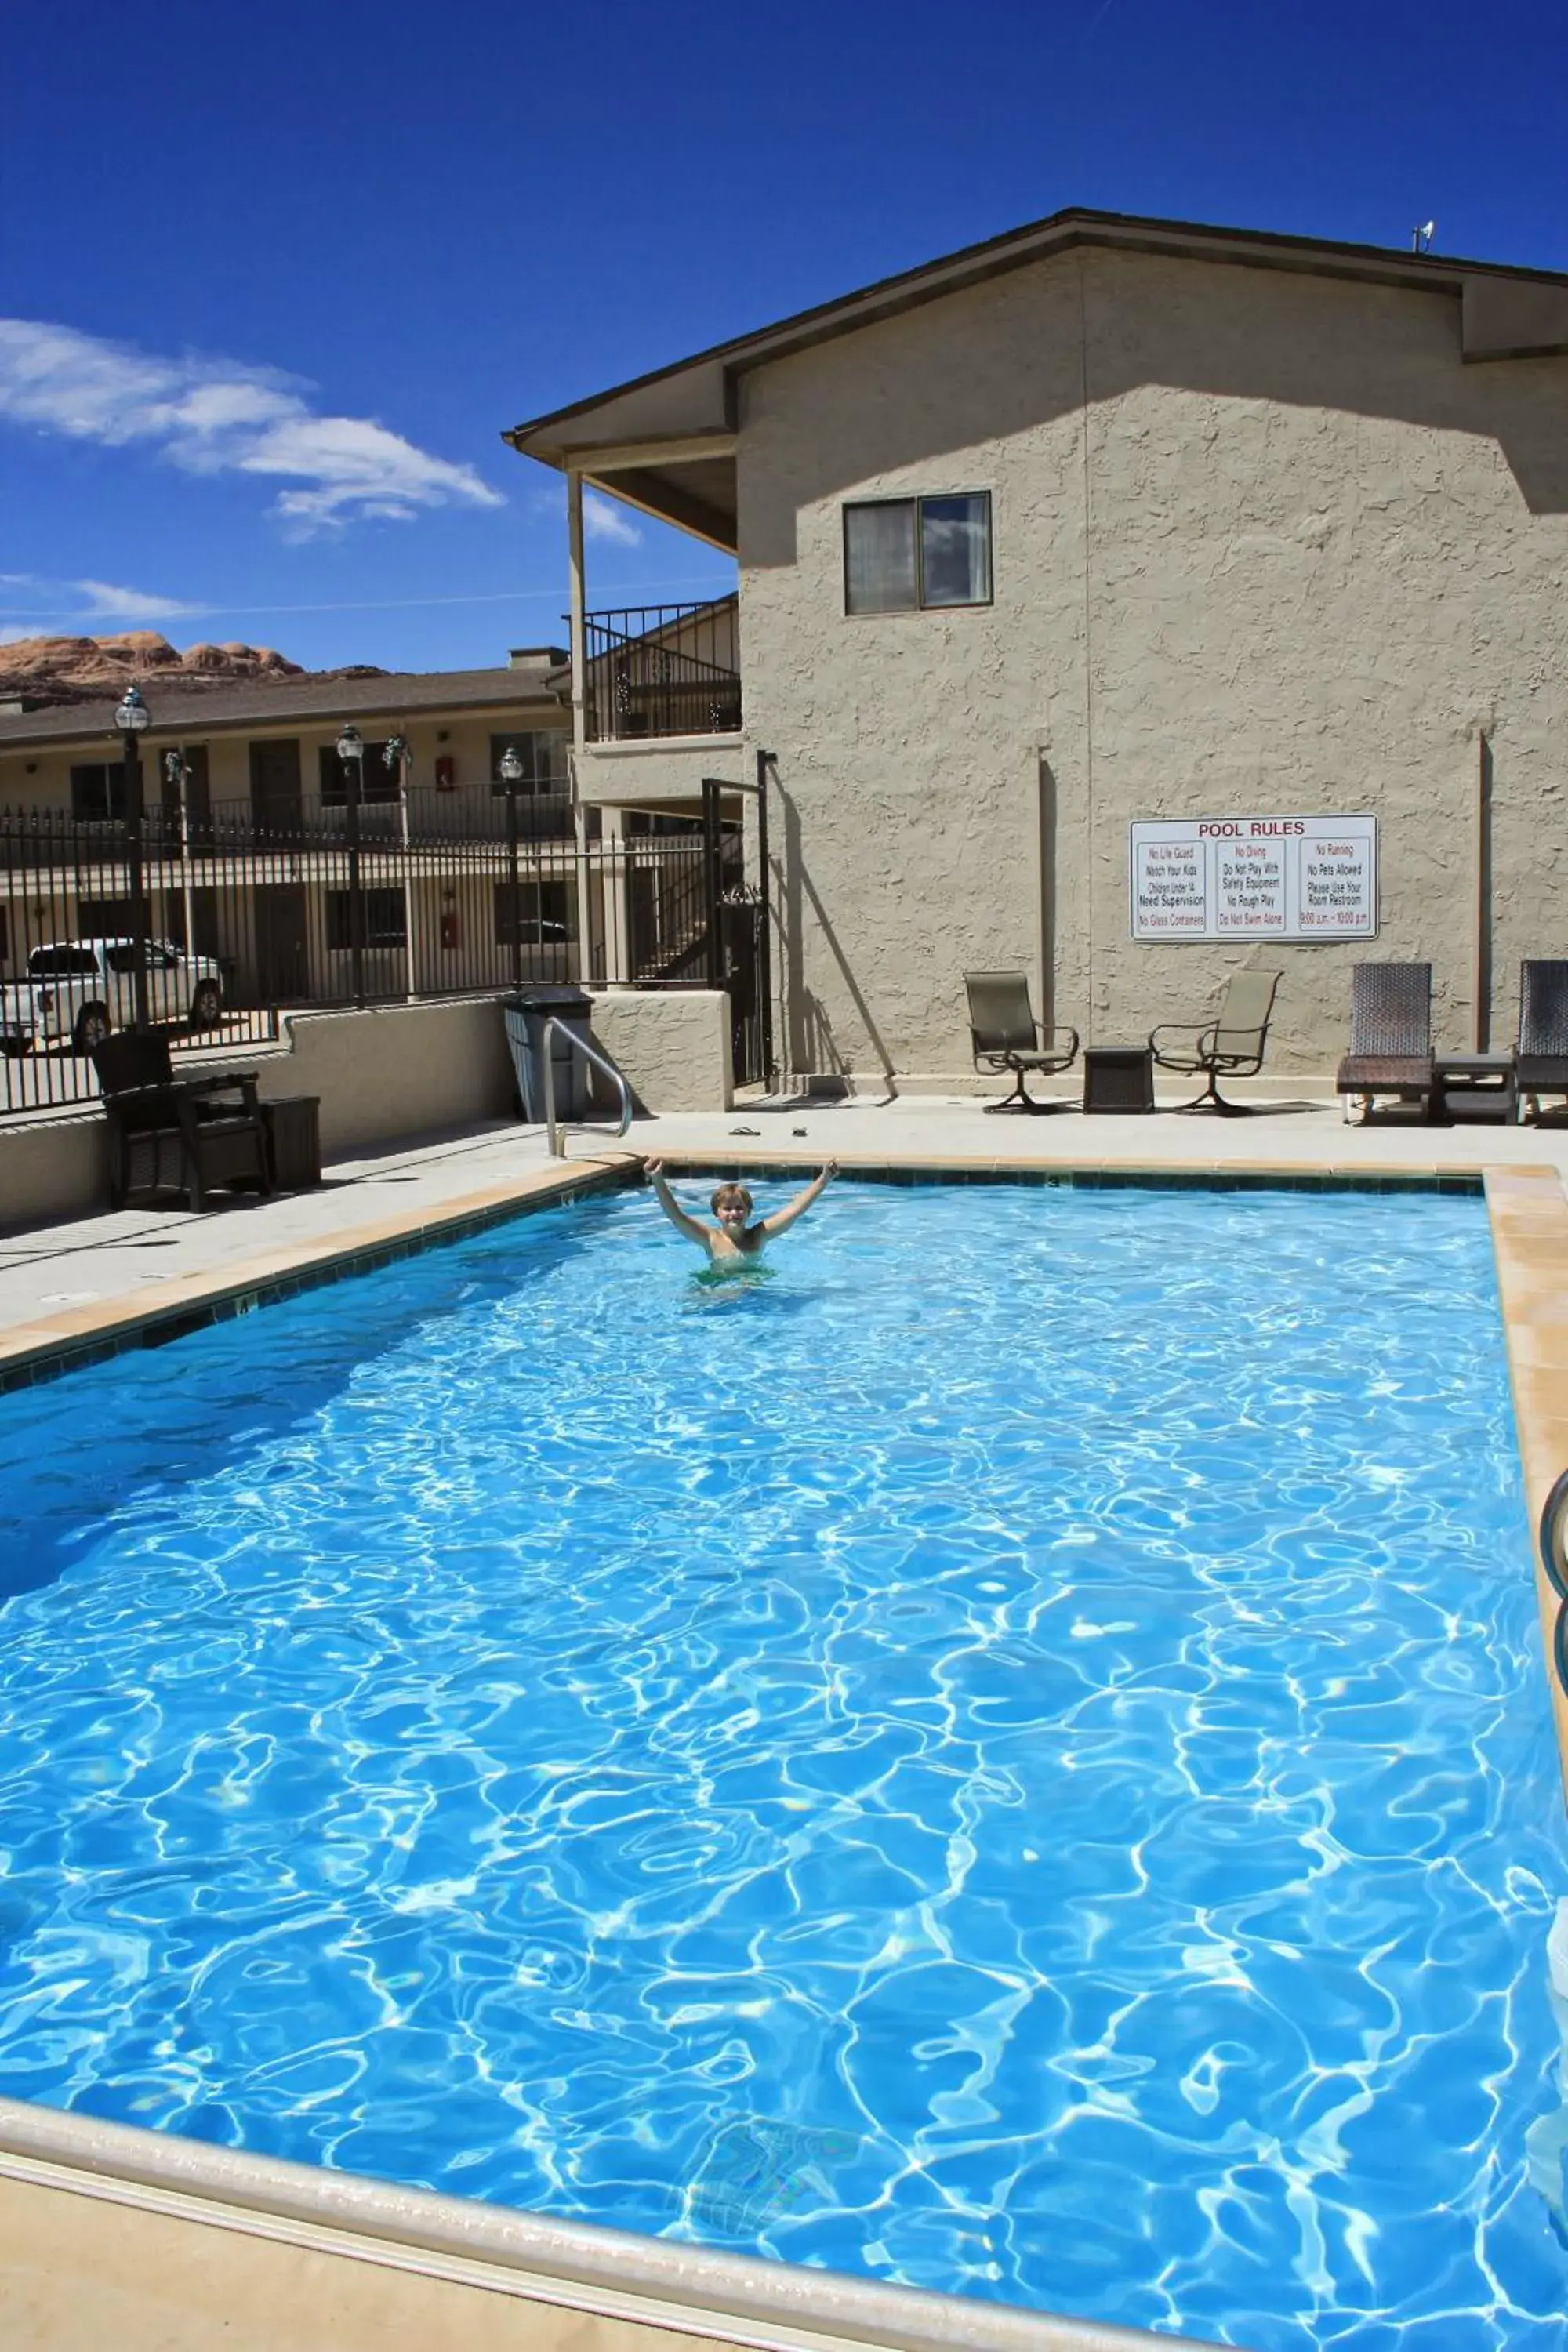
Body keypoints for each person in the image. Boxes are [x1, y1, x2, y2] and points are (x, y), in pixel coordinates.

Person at [646, 1160, 837, 1261]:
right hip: (719, 1288)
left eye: (739, 1208)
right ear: (716, 1213)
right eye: (727, 1209)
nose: (733, 1214)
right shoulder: (710, 1238)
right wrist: (657, 1179)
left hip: (752, 1288)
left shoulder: (759, 1234)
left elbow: (794, 1210)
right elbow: (675, 1216)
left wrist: (824, 1179)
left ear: (748, 1212)